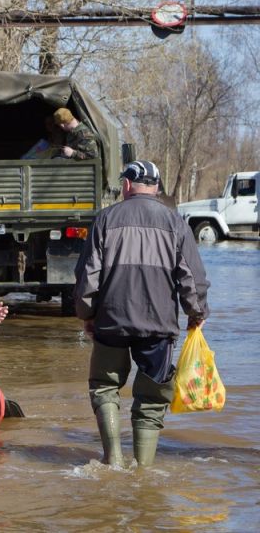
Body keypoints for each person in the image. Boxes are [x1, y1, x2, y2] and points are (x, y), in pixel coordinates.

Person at [73, 160, 210, 468]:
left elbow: (87, 275)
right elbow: (192, 277)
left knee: (104, 387)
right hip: (158, 324)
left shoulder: (105, 219)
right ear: (157, 188)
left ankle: (113, 460)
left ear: (126, 185)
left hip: (111, 320)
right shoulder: (175, 222)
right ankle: (144, 472)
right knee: (151, 398)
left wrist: (87, 314)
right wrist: (196, 312)